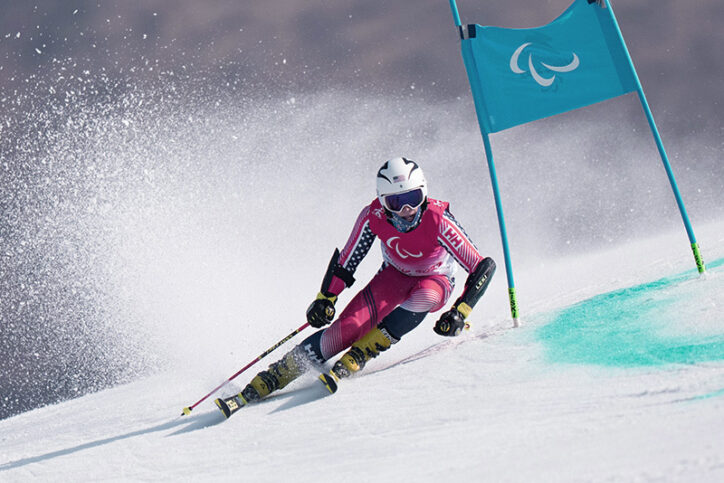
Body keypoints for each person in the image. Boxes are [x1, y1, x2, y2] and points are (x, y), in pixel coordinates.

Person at [224, 157, 495, 410]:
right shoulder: (373, 216)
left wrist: (461, 311)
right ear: (382, 201)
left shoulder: (438, 219)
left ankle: (364, 351)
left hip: (435, 279)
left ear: (424, 193)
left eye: (413, 198)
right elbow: (348, 261)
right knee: (348, 328)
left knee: (426, 296)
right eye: (395, 202)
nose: (406, 210)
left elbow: (482, 266)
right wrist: (326, 299)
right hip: (394, 276)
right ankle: (276, 375)